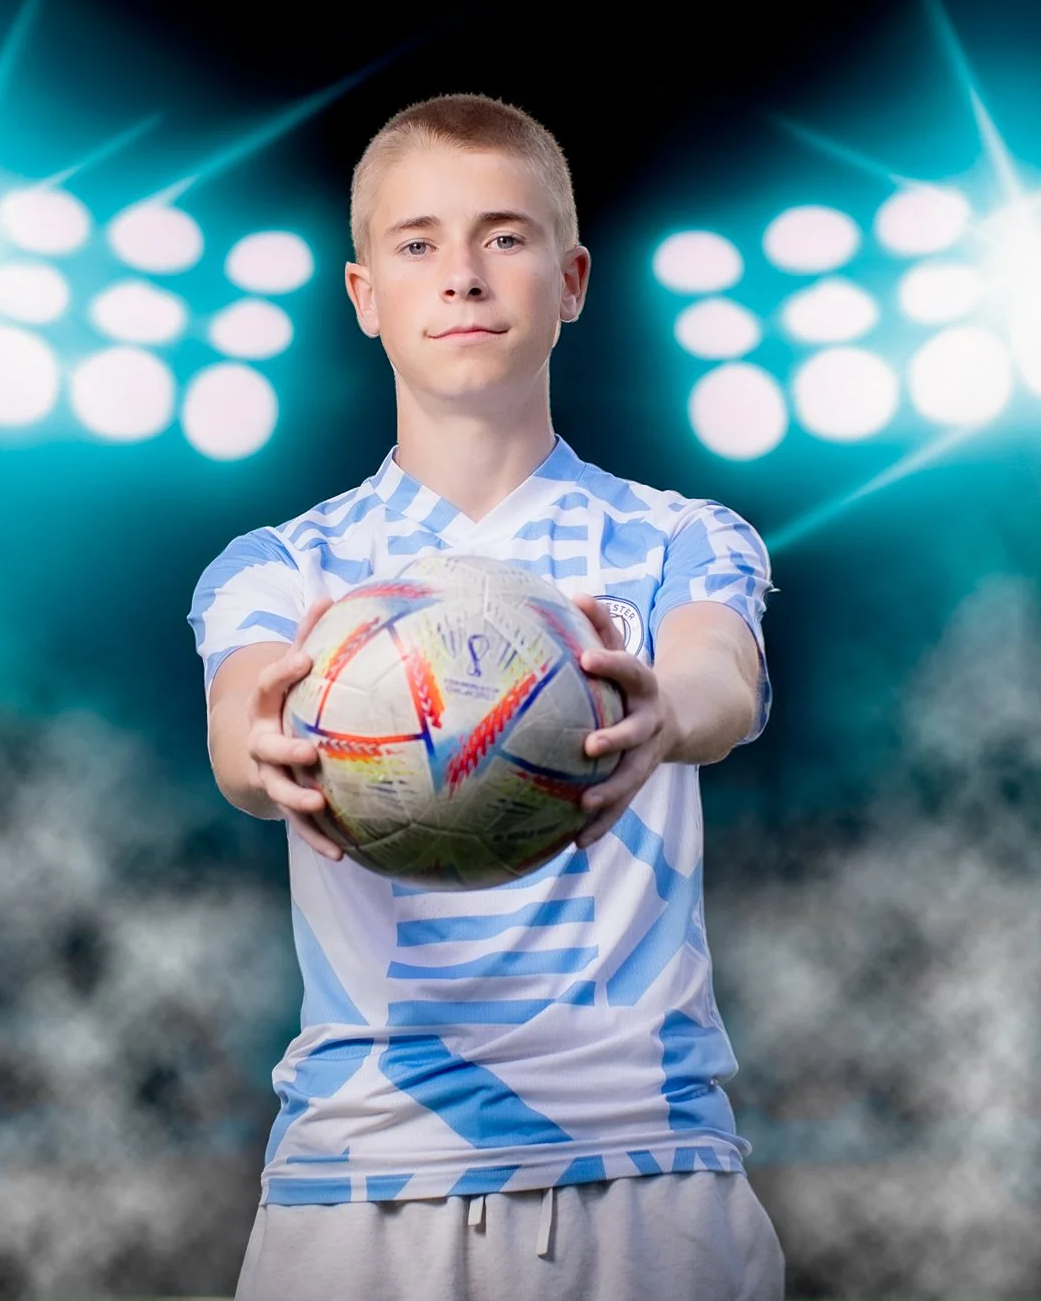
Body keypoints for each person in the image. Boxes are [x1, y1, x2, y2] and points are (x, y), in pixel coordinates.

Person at [187, 93, 785, 1301]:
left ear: (571, 280)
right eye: (417, 243)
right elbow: (241, 722)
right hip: (358, 1186)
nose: (461, 274)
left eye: (503, 236)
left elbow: (719, 673)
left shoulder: (681, 538)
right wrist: (264, 746)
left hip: (648, 1174)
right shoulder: (282, 564)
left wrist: (662, 707)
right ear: (364, 295)